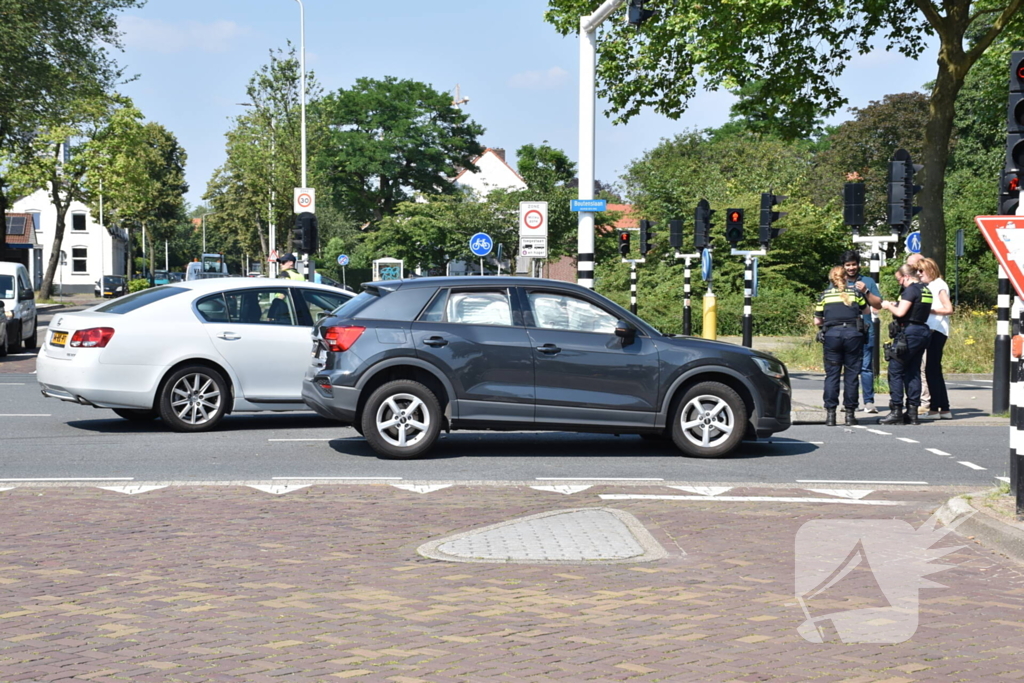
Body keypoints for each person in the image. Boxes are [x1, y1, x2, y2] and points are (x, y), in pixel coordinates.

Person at [815, 266, 869, 426]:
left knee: (832, 375)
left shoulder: (824, 296)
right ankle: (850, 415)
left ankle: (830, 415)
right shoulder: (856, 294)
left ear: (831, 279)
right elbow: (866, 311)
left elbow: (817, 320)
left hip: (832, 336)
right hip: (853, 336)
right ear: (846, 278)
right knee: (851, 376)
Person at [879, 265, 932, 425]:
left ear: (906, 277)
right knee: (913, 371)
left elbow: (901, 313)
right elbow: (914, 308)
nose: (899, 283)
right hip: (922, 331)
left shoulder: (910, 290)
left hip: (909, 333)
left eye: (899, 280)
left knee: (895, 371)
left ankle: (896, 411)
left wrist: (888, 306)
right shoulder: (925, 290)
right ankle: (912, 412)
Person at [840, 250, 883, 413]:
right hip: (845, 331)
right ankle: (850, 402)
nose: (851, 268)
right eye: (848, 265)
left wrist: (866, 291)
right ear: (843, 266)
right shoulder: (838, 282)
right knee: (849, 368)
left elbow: (878, 304)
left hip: (865, 330)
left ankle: (869, 402)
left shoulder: (868, 281)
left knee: (866, 367)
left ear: (858, 265)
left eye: (854, 264)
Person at [917, 257, 954, 420]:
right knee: (934, 370)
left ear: (930, 270)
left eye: (921, 271)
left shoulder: (938, 285)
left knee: (931, 369)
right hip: (934, 329)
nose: (918, 274)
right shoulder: (931, 285)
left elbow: (948, 308)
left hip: (936, 330)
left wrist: (928, 310)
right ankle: (944, 409)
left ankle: (934, 410)